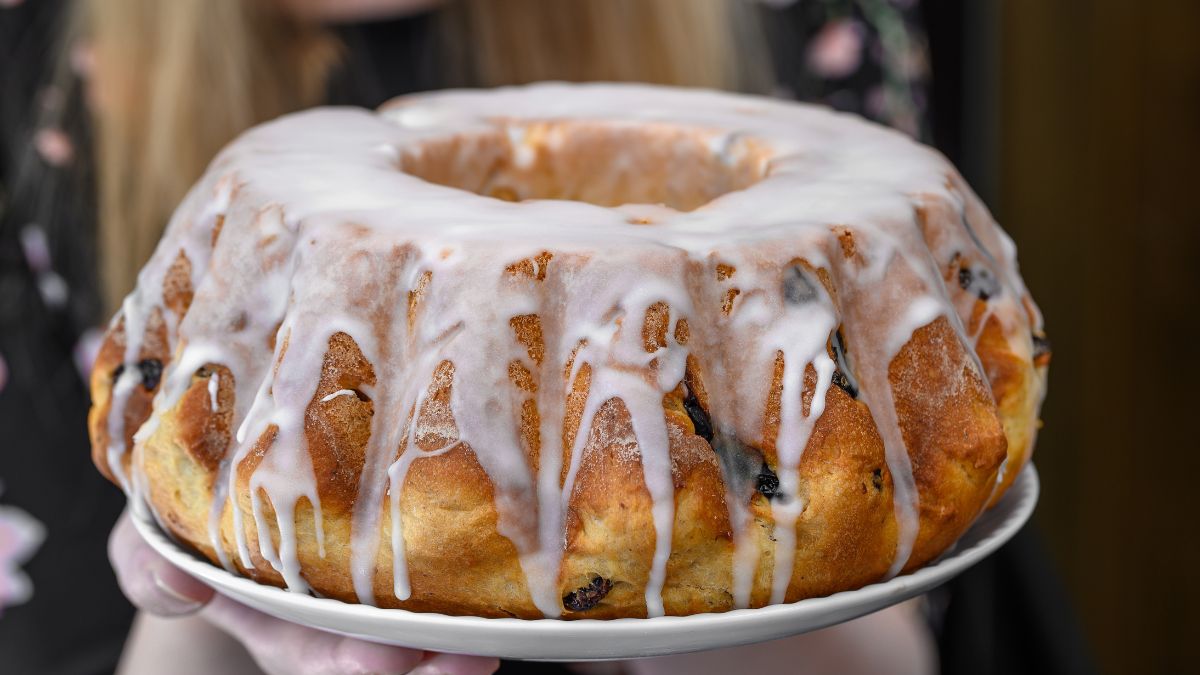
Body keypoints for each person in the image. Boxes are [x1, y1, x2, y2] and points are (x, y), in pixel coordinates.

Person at [0, 1, 1090, 673]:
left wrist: (713, 599)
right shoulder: (31, 87)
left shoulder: (797, 22)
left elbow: (898, 626)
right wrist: (212, 609)